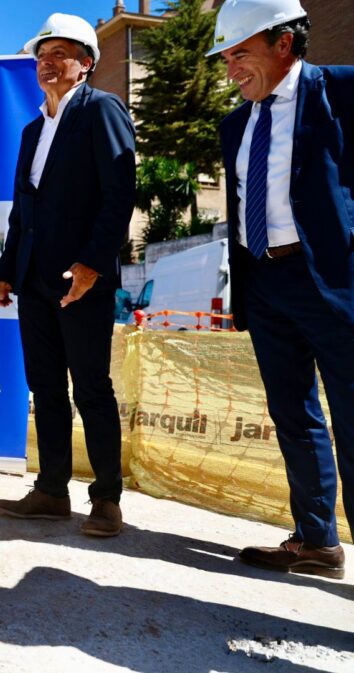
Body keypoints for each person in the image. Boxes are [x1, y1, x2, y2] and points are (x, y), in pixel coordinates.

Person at [209, 0, 351, 578]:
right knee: (293, 414)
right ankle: (317, 540)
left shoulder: (341, 92)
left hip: (336, 286)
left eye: (240, 53)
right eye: (225, 58)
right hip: (265, 283)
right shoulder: (236, 124)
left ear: (283, 44)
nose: (230, 69)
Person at [0, 13, 136, 537]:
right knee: (45, 388)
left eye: (60, 54)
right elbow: (21, 209)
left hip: (83, 283)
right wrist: (9, 269)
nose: (47, 63)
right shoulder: (33, 131)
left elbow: (120, 193)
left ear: (86, 65)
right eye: (41, 55)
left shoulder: (102, 111)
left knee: (90, 390)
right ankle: (51, 491)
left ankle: (106, 500)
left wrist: (93, 264)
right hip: (34, 282)